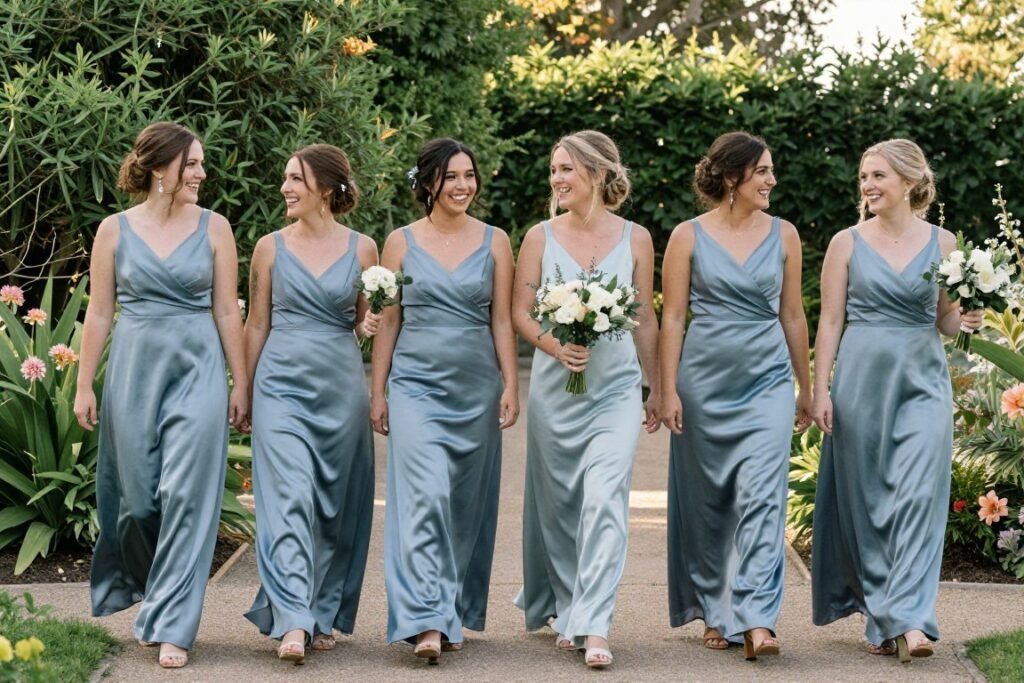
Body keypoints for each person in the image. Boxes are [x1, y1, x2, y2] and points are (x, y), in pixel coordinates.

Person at [75, 122, 247, 669]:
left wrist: (240, 381)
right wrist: (83, 384)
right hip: (134, 368)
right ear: (159, 168)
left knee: (185, 494)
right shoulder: (114, 230)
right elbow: (100, 311)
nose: (201, 173)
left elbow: (226, 309)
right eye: (191, 164)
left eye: (201, 163)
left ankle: (174, 622)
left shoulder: (216, 228)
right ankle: (151, 585)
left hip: (198, 366)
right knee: (140, 501)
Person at [811, 139, 984, 662]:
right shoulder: (846, 242)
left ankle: (909, 620)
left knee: (918, 496)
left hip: (923, 380)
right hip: (862, 380)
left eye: (879, 176)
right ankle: (886, 616)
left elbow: (946, 321)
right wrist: (820, 388)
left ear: (910, 182)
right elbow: (830, 321)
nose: (867, 185)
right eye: (864, 176)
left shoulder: (944, 243)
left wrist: (968, 320)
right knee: (869, 502)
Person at [659, 131, 811, 660]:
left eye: (771, 171)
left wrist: (806, 387)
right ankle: (714, 608)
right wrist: (667, 388)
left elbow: (792, 313)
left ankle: (758, 617)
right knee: (710, 502)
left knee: (763, 497)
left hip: (767, 380)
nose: (772, 180)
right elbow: (672, 316)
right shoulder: (687, 236)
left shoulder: (785, 234)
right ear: (732, 178)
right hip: (703, 382)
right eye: (763, 171)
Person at [512, 130, 661, 669]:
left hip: (616, 390)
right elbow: (520, 314)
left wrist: (658, 388)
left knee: (604, 499)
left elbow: (645, 318)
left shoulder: (636, 238)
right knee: (560, 508)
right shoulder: (538, 237)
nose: (557, 179)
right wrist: (557, 346)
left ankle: (595, 624)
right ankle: (570, 605)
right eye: (554, 170)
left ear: (597, 175)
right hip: (556, 391)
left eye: (566, 169)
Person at [371, 137, 519, 663]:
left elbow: (501, 319)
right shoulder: (400, 242)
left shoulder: (496, 240)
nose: (463, 186)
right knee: (425, 496)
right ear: (430, 182)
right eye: (452, 176)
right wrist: (378, 390)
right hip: (415, 386)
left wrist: (510, 383)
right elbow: (389, 319)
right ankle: (424, 618)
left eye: (469, 175)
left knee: (462, 505)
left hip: (476, 387)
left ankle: (446, 608)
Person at [242, 144, 379, 663]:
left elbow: (370, 319)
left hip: (340, 386)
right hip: (280, 385)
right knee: (289, 498)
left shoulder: (364, 248)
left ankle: (321, 610)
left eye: (295, 179)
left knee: (331, 503)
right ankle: (293, 619)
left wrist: (368, 326)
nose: (285, 188)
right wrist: (244, 387)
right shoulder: (269, 247)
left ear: (325, 187)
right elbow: (258, 323)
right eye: (285, 178)